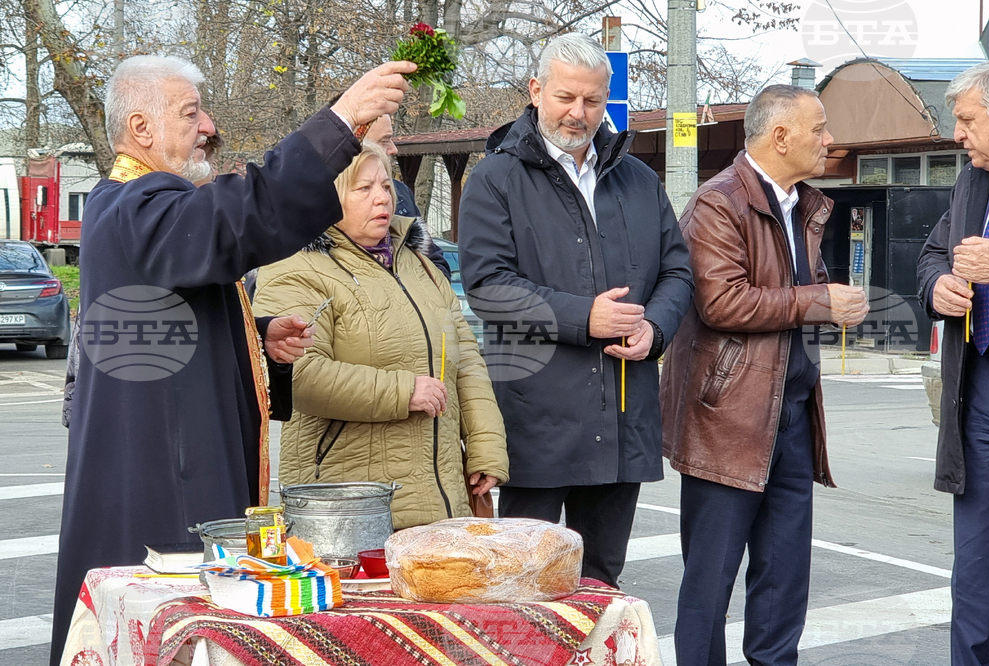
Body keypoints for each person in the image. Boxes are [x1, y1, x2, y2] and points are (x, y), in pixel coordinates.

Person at [51, 54, 415, 665]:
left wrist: (256, 336)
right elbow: (233, 219)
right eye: (191, 112)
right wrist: (342, 122)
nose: (208, 125)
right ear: (141, 129)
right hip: (164, 490)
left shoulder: (128, 209)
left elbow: (169, 329)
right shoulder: (137, 203)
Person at [458, 33, 693, 587]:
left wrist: (655, 329)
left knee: (602, 582)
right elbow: (487, 286)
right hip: (535, 425)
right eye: (565, 97)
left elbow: (677, 271)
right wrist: (582, 317)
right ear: (536, 91)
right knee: (521, 585)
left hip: (621, 421)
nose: (578, 113)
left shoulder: (638, 180)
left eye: (592, 101)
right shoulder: (495, 178)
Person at [660, 84, 869, 666]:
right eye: (819, 128)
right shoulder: (718, 202)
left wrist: (826, 301)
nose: (829, 140)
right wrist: (817, 300)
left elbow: (796, 294)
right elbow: (722, 303)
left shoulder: (805, 204)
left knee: (783, 583)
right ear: (780, 136)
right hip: (728, 421)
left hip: (791, 417)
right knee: (710, 582)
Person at [252, 142, 508, 528]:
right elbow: (298, 377)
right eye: (364, 189)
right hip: (350, 505)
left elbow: (467, 363)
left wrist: (487, 448)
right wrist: (403, 392)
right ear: (328, 197)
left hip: (442, 500)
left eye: (386, 186)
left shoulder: (419, 263)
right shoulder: (295, 268)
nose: (381, 199)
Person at [916, 59, 989, 666]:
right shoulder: (972, 179)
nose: (958, 133)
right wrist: (938, 286)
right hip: (980, 391)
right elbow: (931, 253)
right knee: (972, 571)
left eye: (968, 120)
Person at [346, 109, 450, 278]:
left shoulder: (400, 192)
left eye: (386, 187)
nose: (384, 198)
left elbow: (436, 265)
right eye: (384, 141)